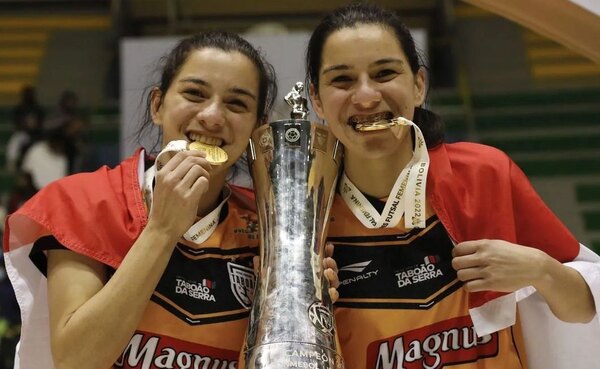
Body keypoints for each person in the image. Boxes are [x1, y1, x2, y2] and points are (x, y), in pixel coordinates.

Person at [3, 31, 338, 369]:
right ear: (158, 106)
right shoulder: (85, 201)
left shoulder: (272, 227)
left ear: (258, 128)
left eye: (236, 103)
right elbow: (76, 360)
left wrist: (302, 295)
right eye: (194, 94)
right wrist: (162, 230)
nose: (211, 116)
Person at [305, 3, 600, 369]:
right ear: (316, 99)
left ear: (418, 85)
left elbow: (585, 309)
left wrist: (541, 269)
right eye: (342, 80)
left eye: (384, 73)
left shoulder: (483, 173)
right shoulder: (305, 211)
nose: (365, 96)